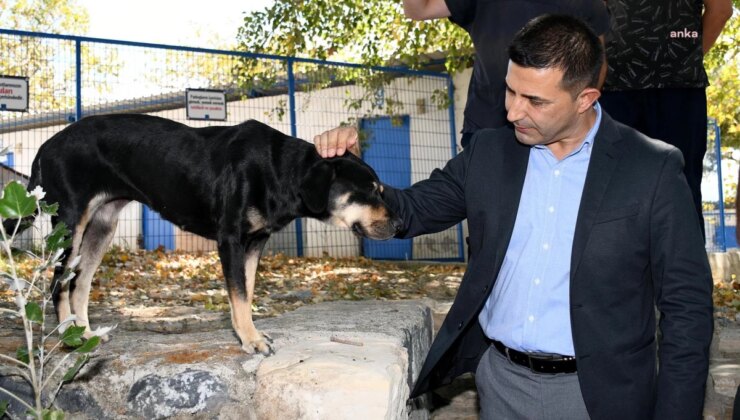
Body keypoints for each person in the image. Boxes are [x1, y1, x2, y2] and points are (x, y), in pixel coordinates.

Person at [315, 14, 713, 419]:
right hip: (499, 384)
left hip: (601, 395)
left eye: (535, 101)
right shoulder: (489, 153)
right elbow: (409, 213)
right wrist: (351, 173)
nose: (512, 112)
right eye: (510, 90)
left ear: (585, 99)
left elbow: (688, 307)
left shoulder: (651, 168)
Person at [315, 0, 609, 155]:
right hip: (489, 125)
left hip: (557, 132)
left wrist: (575, 118)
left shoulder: (585, 2)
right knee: (488, 231)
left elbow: (597, 62)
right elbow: (418, 9)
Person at [599, 0, 734, 230]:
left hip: (624, 87)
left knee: (616, 197)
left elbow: (721, 10)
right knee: (678, 193)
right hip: (659, 88)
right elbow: (721, 9)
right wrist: (683, 57)